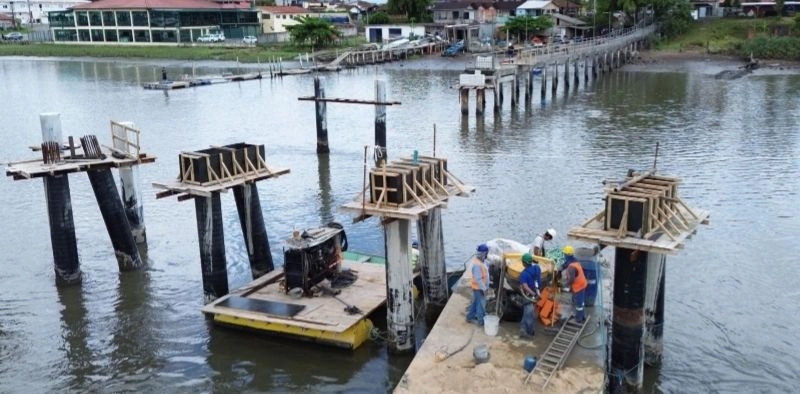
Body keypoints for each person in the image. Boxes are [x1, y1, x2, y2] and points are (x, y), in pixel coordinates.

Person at [561, 245, 587, 323]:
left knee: (579, 303)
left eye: (564, 254)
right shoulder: (574, 260)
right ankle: (582, 316)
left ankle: (578, 319)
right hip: (582, 283)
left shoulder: (572, 267)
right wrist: (560, 267)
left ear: (567, 255)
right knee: (581, 301)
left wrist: (564, 285)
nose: (564, 255)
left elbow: (571, 279)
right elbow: (566, 264)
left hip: (578, 286)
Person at [466, 243, 490, 326]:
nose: (487, 255)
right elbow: (478, 279)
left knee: (476, 303)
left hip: (479, 288)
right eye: (486, 253)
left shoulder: (481, 261)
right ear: (483, 254)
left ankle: (469, 317)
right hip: (479, 288)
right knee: (481, 305)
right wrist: (484, 288)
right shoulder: (477, 264)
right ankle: (481, 321)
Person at [519, 253, 542, 337]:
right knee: (527, 311)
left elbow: (525, 286)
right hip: (537, 292)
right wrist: (536, 294)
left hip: (529, 295)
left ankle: (529, 332)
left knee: (528, 313)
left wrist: (533, 294)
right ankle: (523, 328)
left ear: (524, 263)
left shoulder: (524, 274)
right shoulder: (537, 268)